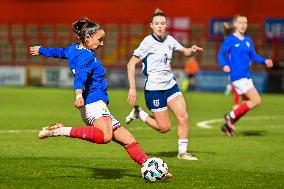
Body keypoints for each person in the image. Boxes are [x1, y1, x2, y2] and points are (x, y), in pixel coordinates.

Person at [30, 18, 172, 178]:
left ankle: (150, 166)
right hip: (93, 104)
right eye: (100, 39)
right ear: (88, 38)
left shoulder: (73, 49)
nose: (102, 43)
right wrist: (78, 94)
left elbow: (60, 52)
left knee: (128, 139)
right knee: (105, 136)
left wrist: (42, 50)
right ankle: (59, 130)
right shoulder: (87, 57)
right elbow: (80, 77)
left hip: (94, 105)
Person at [125, 9, 203, 160]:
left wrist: (191, 50)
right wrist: (133, 88)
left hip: (170, 86)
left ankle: (182, 152)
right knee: (164, 128)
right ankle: (139, 113)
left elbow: (184, 51)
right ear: (151, 26)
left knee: (183, 118)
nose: (160, 26)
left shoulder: (170, 40)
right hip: (154, 90)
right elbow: (131, 64)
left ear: (166, 25)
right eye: (156, 23)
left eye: (162, 23)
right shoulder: (147, 42)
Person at [217, 14, 273, 136]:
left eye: (245, 23)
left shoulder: (248, 40)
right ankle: (230, 115)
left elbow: (253, 55)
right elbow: (220, 54)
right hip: (237, 76)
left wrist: (264, 61)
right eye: (240, 22)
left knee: (247, 103)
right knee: (256, 100)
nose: (243, 25)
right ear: (235, 24)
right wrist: (224, 65)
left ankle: (228, 125)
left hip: (246, 76)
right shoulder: (230, 39)